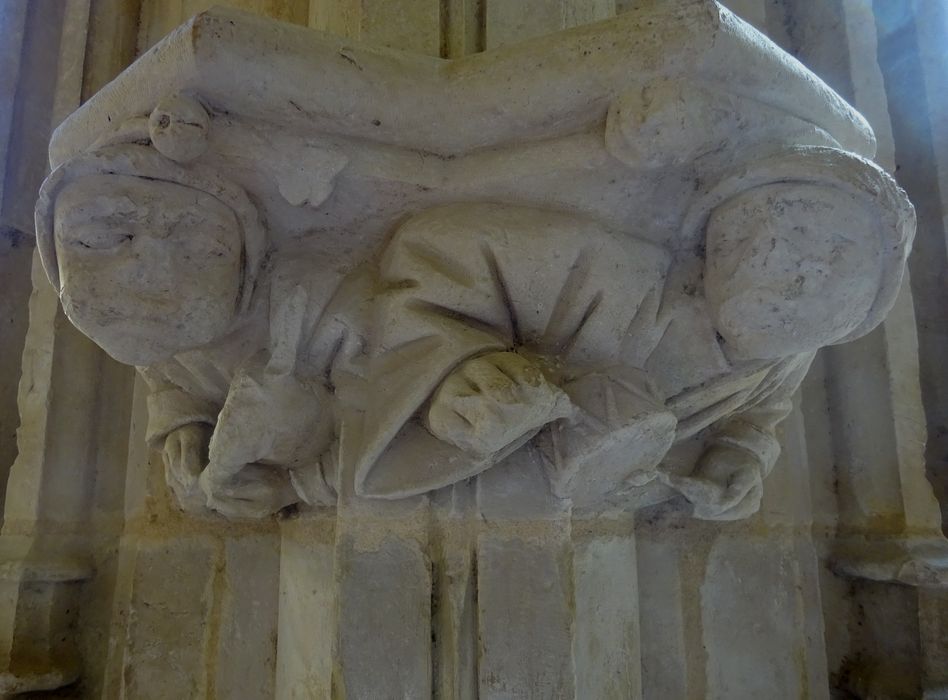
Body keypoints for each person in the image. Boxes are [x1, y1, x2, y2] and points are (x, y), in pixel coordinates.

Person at [352, 146, 914, 519]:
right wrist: (456, 370)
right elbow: (434, 240)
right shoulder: (604, 270)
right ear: (722, 237)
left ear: (859, 314)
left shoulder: (785, 358)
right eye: (791, 242)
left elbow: (760, 416)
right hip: (449, 505)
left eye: (839, 271)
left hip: (554, 522)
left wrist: (737, 456)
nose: (802, 276)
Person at [34, 113, 356, 518]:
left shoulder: (319, 309)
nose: (150, 275)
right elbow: (168, 369)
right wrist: (186, 423)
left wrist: (299, 483)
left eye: (202, 248)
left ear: (247, 268)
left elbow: (406, 414)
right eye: (101, 238)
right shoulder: (162, 331)